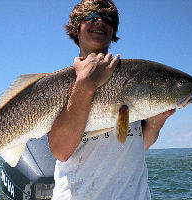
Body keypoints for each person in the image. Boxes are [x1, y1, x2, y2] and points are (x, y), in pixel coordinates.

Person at [47, 0, 175, 199]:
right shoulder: (58, 87)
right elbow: (61, 151)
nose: (99, 21)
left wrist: (158, 119)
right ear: (76, 28)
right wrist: (84, 84)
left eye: (107, 19)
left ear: (113, 30)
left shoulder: (133, 80)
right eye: (90, 16)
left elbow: (135, 144)